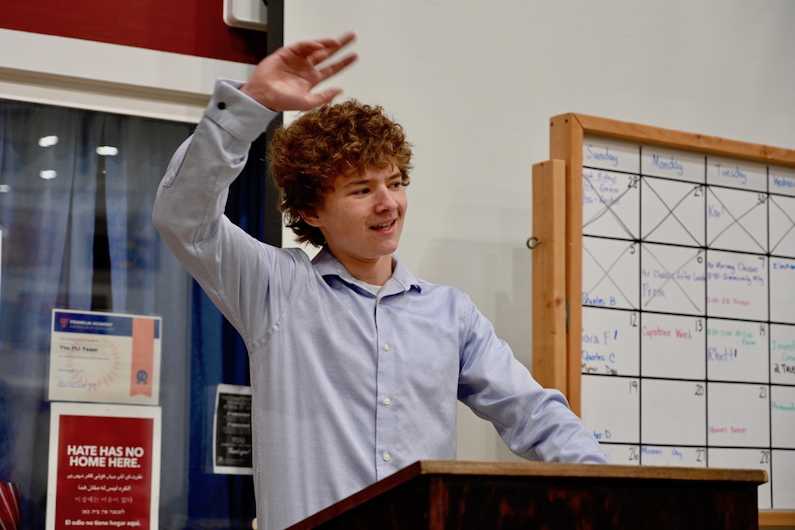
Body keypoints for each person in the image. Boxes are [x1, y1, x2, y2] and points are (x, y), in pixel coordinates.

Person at [153, 32, 605, 530]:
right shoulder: (275, 289)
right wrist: (251, 103)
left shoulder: (450, 314)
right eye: (361, 190)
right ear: (311, 211)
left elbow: (532, 412)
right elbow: (184, 217)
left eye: (395, 182)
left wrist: (610, 490)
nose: (388, 203)